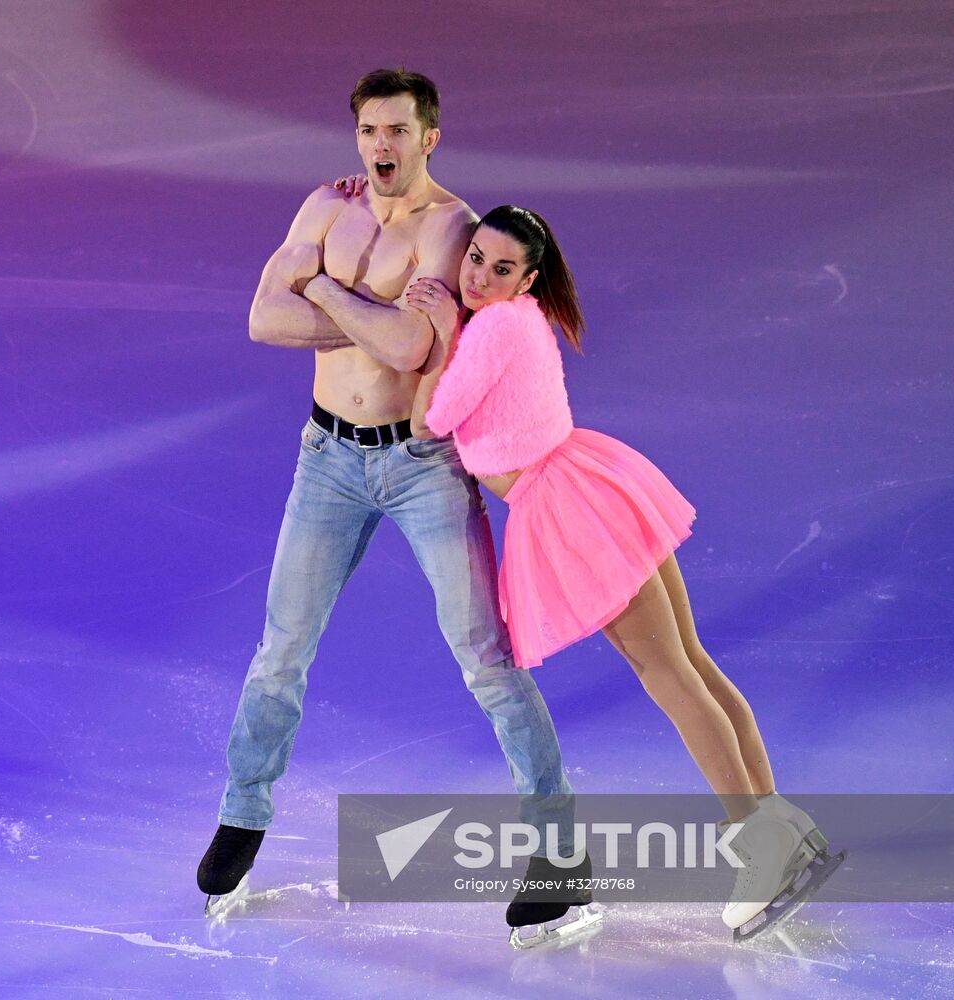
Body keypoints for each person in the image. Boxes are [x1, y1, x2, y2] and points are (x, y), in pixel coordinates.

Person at [197, 71, 587, 937]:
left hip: (422, 466)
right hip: (327, 458)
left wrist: (322, 290)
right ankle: (243, 812)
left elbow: (413, 348)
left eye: (398, 131)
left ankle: (561, 850)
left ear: (429, 138)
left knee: (485, 655)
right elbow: (261, 320)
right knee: (281, 648)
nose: (382, 145)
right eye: (370, 130)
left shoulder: (454, 228)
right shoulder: (324, 206)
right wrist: (369, 318)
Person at [391, 201, 838, 936]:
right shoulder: (517, 319)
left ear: (526, 279)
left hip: (567, 508)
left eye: (500, 269)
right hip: (591, 484)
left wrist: (441, 330)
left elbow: (425, 422)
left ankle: (758, 840)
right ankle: (775, 819)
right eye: (474, 259)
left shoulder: (493, 327)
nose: (477, 277)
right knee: (688, 661)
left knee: (666, 672)